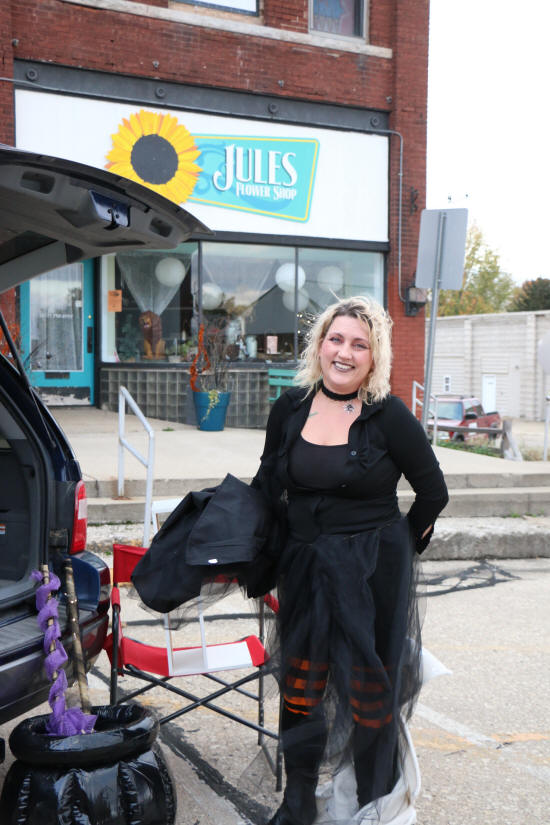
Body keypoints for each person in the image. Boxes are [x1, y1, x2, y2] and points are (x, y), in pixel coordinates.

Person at [251, 296, 449, 825]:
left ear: (374, 357)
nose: (344, 352)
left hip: (371, 576)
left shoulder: (389, 416)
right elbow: (267, 483)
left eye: (359, 344)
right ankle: (297, 802)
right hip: (305, 568)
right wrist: (248, 546)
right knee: (301, 684)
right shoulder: (290, 407)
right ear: (319, 346)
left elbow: (433, 492)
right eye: (335, 339)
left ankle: (372, 804)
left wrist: (399, 549)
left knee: (368, 689)